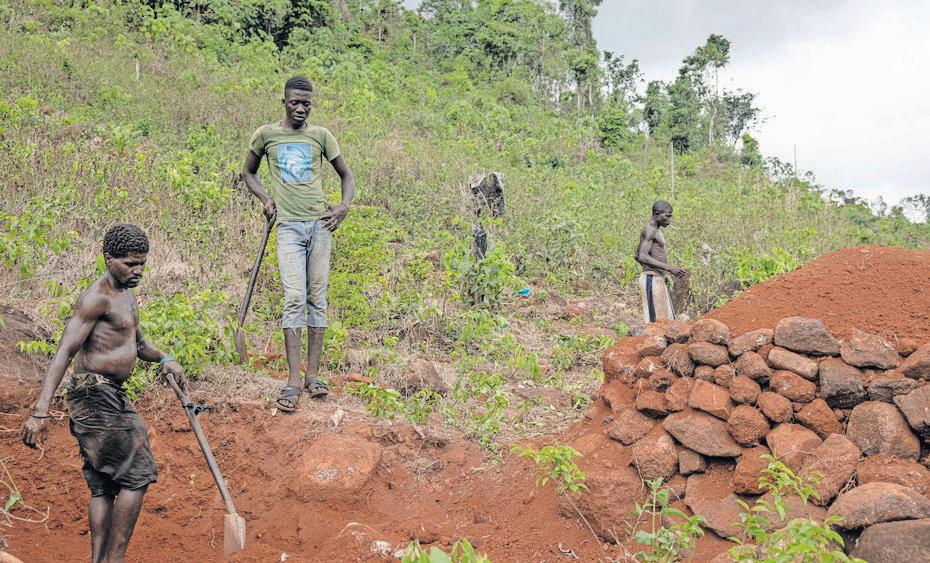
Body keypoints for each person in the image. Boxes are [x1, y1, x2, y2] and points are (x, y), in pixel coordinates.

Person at [21, 224, 185, 563]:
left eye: (142, 263)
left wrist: (166, 358)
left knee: (103, 484)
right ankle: (114, 560)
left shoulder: (126, 293)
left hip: (108, 394)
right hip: (94, 396)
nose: (138, 270)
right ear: (108, 258)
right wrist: (40, 411)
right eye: (130, 263)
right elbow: (65, 351)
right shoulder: (98, 296)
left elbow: (138, 345)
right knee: (137, 474)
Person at [242, 75, 355, 412]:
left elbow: (346, 176)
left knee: (316, 298)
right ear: (284, 102)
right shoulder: (266, 135)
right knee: (294, 297)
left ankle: (314, 376)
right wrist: (265, 199)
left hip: (320, 226)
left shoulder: (321, 136)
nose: (301, 108)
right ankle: (293, 380)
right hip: (289, 228)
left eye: (307, 103)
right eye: (295, 102)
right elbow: (248, 172)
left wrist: (343, 208)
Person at [634, 200, 687, 322]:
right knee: (656, 323)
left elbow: (636, 255)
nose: (669, 220)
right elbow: (642, 256)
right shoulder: (650, 230)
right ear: (657, 214)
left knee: (665, 319)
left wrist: (661, 272)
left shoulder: (655, 230)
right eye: (667, 216)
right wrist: (669, 268)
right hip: (651, 279)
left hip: (656, 278)